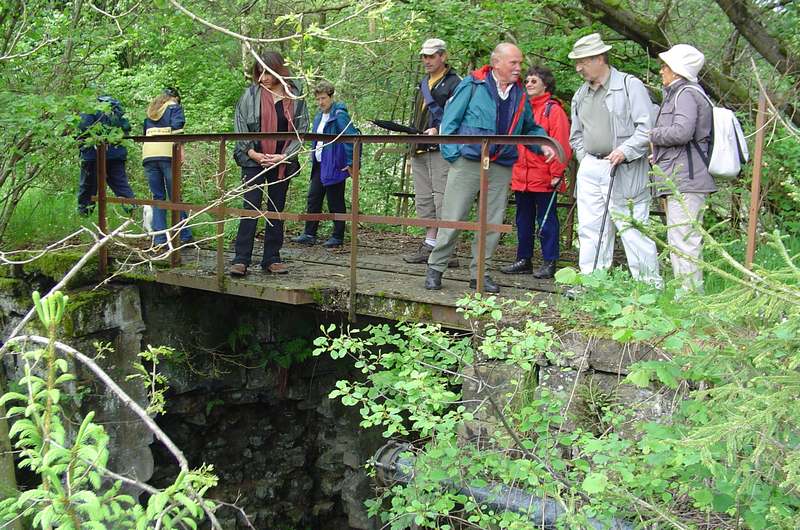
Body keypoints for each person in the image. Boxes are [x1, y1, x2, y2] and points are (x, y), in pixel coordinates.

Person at [425, 42, 557, 294]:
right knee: (453, 218)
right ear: (497, 63)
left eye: (520, 63)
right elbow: (449, 122)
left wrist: (543, 145)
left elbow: (529, 127)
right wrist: (454, 156)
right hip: (468, 162)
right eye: (513, 63)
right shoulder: (473, 85)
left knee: (492, 223)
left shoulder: (519, 93)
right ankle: (436, 268)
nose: (519, 68)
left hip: (500, 164)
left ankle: (480, 274)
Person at [568, 33, 661, 286]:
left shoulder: (630, 86)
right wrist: (585, 158)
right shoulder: (580, 94)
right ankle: (592, 284)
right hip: (591, 167)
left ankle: (649, 287)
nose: (578, 68)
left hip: (625, 168)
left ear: (599, 58)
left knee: (633, 228)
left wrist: (625, 150)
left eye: (583, 62)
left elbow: (646, 129)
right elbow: (575, 135)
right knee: (590, 228)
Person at [229, 51, 308, 277]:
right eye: (259, 72)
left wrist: (284, 157)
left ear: (278, 70)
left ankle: (272, 258)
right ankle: (241, 259)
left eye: (266, 72)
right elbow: (241, 125)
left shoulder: (295, 96)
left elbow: (301, 132)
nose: (262, 77)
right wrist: (253, 153)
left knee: (276, 209)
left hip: (281, 161)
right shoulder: (250, 95)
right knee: (250, 207)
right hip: (253, 160)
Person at [650, 44, 714, 293]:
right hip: (683, 177)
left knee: (684, 240)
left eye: (666, 66)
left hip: (686, 180)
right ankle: (686, 299)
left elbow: (682, 132)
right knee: (681, 238)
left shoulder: (686, 94)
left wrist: (652, 135)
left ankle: (688, 301)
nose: (661, 70)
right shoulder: (686, 93)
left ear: (677, 70)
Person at [502, 65, 572, 279]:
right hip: (521, 176)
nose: (529, 84)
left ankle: (550, 261)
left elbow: (560, 144)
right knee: (523, 220)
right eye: (528, 81)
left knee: (546, 220)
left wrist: (556, 173)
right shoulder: (521, 109)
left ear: (545, 84)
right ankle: (524, 259)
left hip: (544, 176)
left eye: (534, 81)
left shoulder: (554, 110)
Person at [403, 38, 462, 265]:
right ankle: (430, 243)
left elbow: (458, 116)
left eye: (431, 56)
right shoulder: (423, 83)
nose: (426, 60)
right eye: (424, 56)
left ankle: (447, 249)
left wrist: (440, 130)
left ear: (443, 56)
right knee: (424, 199)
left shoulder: (456, 83)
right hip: (419, 146)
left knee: (443, 198)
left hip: (441, 148)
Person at [292, 80, 359, 248]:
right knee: (314, 198)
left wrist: (352, 163)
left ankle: (337, 236)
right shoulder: (319, 116)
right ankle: (309, 233)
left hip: (334, 164)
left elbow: (352, 138)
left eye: (323, 98)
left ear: (331, 97)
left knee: (335, 201)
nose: (321, 102)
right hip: (320, 163)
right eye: (318, 99)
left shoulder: (339, 115)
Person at [142, 87, 191, 246]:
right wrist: (181, 150)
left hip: (149, 155)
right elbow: (178, 129)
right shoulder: (174, 107)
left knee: (158, 197)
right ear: (175, 97)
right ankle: (183, 235)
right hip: (167, 154)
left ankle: (160, 238)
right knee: (175, 196)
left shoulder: (152, 110)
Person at [77, 95, 135, 216]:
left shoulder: (90, 111)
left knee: (88, 186)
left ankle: (84, 213)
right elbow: (126, 128)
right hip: (116, 155)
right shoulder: (118, 112)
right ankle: (132, 210)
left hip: (93, 155)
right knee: (121, 184)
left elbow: (82, 128)